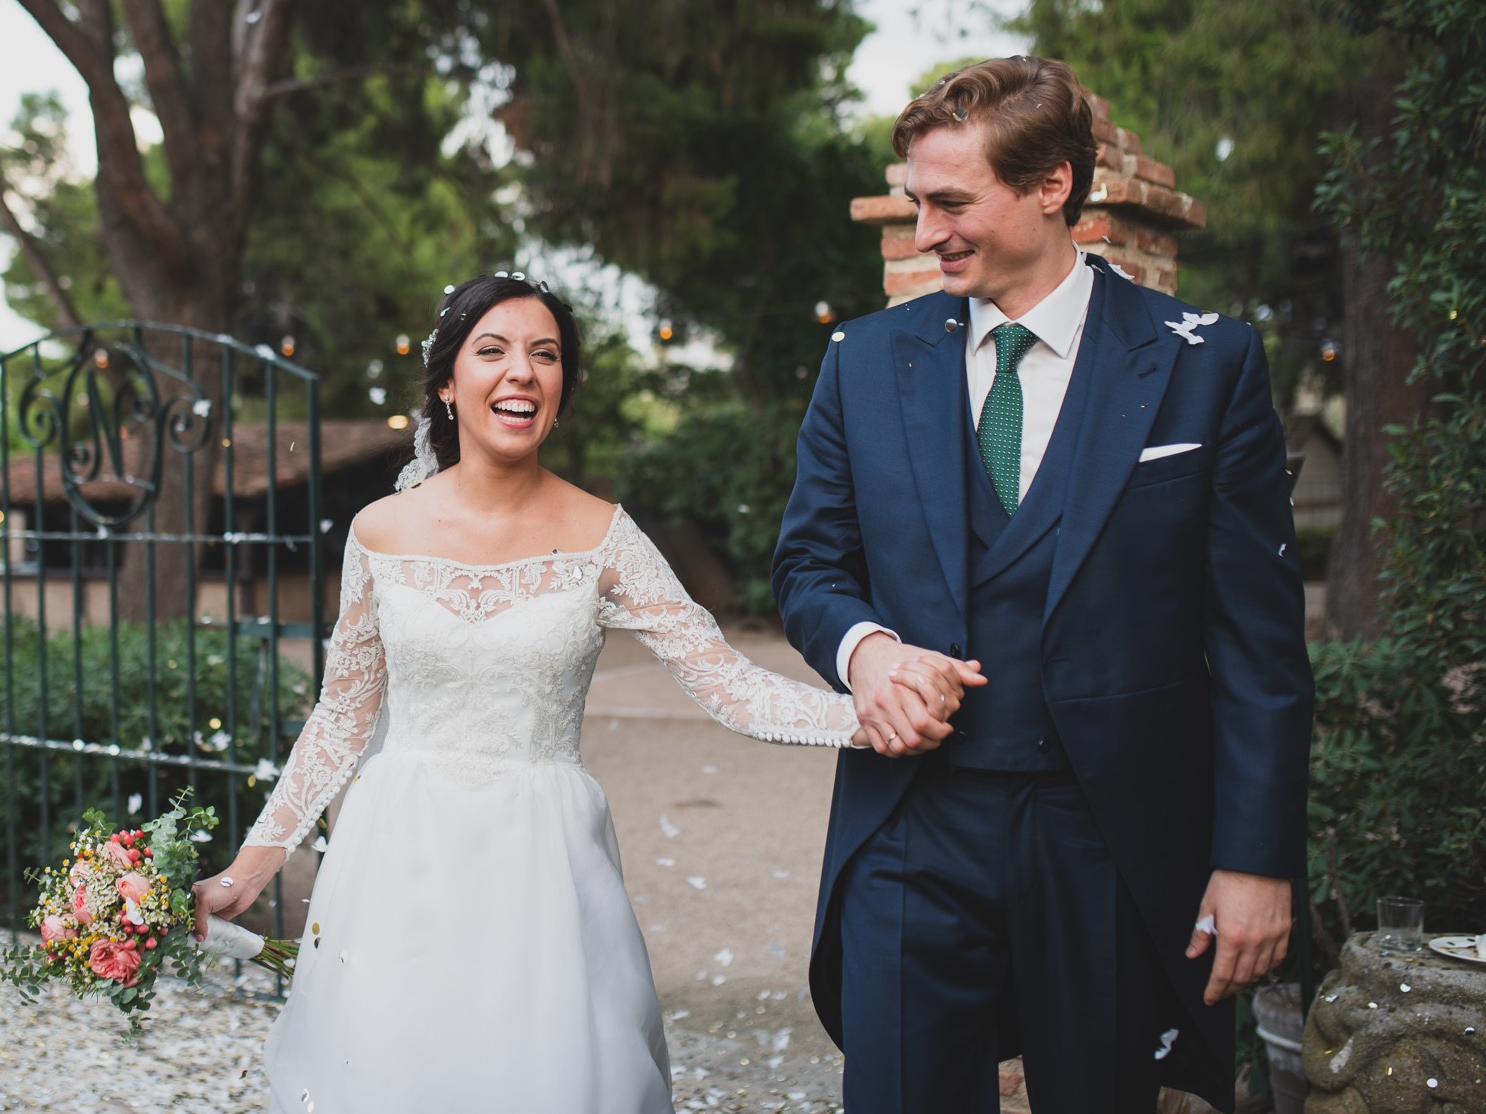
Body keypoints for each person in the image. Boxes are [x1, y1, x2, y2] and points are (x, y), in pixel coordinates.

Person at [194, 272, 983, 1114]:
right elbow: (342, 714)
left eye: (545, 355)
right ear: (446, 384)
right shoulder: (378, 533)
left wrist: (868, 714)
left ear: (561, 389)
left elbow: (726, 681)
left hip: (542, 866)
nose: (522, 373)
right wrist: (252, 863)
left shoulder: (603, 534)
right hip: (397, 856)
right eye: (492, 351)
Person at [772, 56, 1314, 1113]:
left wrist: (1255, 860)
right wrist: (864, 651)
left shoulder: (1204, 364)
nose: (925, 232)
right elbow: (807, 565)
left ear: (1051, 187)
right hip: (908, 828)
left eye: (950, 203)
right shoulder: (864, 361)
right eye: (915, 204)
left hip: (1104, 835)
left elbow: (1257, 645)